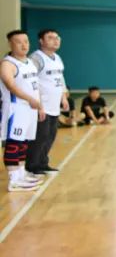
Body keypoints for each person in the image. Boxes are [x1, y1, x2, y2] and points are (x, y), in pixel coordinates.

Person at [1, 30, 45, 191]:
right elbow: (10, 86)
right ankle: (13, 180)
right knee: (14, 143)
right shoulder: (7, 64)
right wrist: (30, 100)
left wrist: (40, 105)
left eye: (26, 41)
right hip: (16, 108)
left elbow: (36, 86)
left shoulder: (30, 62)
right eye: (19, 41)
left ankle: (21, 174)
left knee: (24, 143)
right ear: (10, 44)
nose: (24, 45)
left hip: (30, 109)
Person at [27, 29, 68, 174]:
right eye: (50, 38)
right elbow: (31, 82)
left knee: (50, 136)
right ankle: (32, 166)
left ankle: (43, 163)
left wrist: (63, 97)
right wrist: (39, 106)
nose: (56, 40)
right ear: (41, 41)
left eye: (57, 37)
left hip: (54, 106)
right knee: (40, 137)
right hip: (41, 106)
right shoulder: (36, 58)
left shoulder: (57, 57)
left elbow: (60, 78)